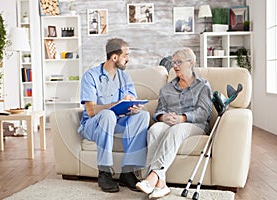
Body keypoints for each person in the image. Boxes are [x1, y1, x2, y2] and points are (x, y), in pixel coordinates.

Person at [136, 48, 213, 199]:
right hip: (170, 122)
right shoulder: (167, 88)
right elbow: (158, 111)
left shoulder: (203, 85)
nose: (175, 66)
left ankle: (151, 177)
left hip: (195, 125)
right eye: (173, 63)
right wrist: (163, 117)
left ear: (191, 63)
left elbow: (204, 113)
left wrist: (183, 118)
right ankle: (161, 184)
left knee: (175, 130)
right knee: (154, 130)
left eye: (179, 62)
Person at [78, 38, 150, 193]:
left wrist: (134, 108)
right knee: (107, 115)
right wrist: (116, 104)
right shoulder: (91, 76)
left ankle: (128, 172)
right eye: (126, 55)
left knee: (143, 115)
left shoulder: (125, 77)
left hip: (118, 122)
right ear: (114, 57)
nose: (128, 59)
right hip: (93, 124)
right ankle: (104, 172)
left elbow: (130, 103)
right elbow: (91, 111)